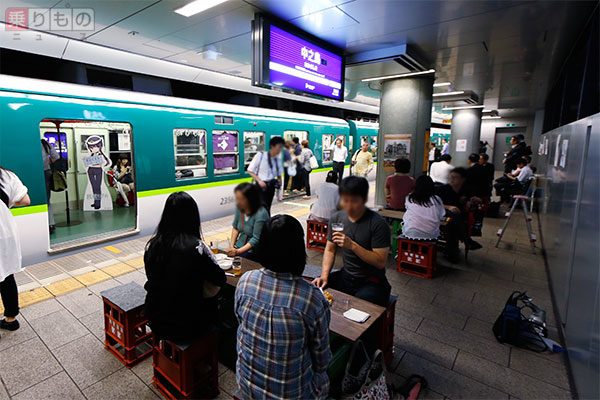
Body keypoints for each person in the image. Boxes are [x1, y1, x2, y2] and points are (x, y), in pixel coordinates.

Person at [235, 215, 331, 399]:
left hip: (245, 385)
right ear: (297, 251)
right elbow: (322, 361)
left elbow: (240, 321)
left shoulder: (245, 281)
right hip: (291, 395)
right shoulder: (312, 299)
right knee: (322, 376)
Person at [144, 192, 226, 342]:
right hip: (186, 326)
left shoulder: (152, 245)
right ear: (192, 217)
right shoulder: (196, 247)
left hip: (155, 319)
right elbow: (220, 278)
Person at [313, 176, 391, 307]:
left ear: (364, 199)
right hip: (347, 275)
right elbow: (330, 250)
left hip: (371, 280)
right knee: (316, 290)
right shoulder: (336, 218)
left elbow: (380, 262)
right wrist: (324, 276)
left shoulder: (378, 223)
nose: (349, 206)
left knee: (362, 304)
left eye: (354, 201)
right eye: (345, 201)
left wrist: (353, 246)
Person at [0, 167, 30, 337]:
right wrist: (7, 204)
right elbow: (25, 200)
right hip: (6, 232)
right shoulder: (6, 175)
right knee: (6, 275)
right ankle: (11, 319)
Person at [436, 168, 483, 261]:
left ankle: (451, 252)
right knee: (452, 218)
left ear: (463, 179)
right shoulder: (443, 189)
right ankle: (467, 241)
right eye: (451, 177)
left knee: (454, 222)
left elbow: (471, 202)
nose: (452, 179)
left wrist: (473, 201)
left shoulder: (466, 190)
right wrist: (449, 207)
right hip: (443, 216)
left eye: (455, 177)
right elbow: (435, 204)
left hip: (460, 218)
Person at [227, 183, 269, 260]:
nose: (238, 202)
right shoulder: (240, 208)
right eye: (237, 198)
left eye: (241, 199)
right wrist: (231, 247)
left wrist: (237, 252)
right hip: (238, 246)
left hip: (253, 251)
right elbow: (235, 228)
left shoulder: (261, 213)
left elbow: (256, 239)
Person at [247, 136, 284, 214]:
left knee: (268, 207)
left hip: (271, 187)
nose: (280, 150)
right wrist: (259, 181)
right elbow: (250, 170)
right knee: (261, 209)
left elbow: (279, 176)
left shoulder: (278, 160)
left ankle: (267, 224)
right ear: (272, 146)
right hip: (260, 187)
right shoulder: (260, 156)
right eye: (278, 147)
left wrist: (279, 194)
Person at [402, 175, 446, 240]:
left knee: (406, 219)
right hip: (431, 234)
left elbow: (408, 208)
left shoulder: (410, 198)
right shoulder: (436, 199)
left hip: (411, 232)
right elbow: (442, 215)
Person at [41, 139, 59, 233]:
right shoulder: (45, 144)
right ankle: (50, 224)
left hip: (35, 173)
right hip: (47, 172)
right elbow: (56, 156)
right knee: (47, 199)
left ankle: (42, 223)